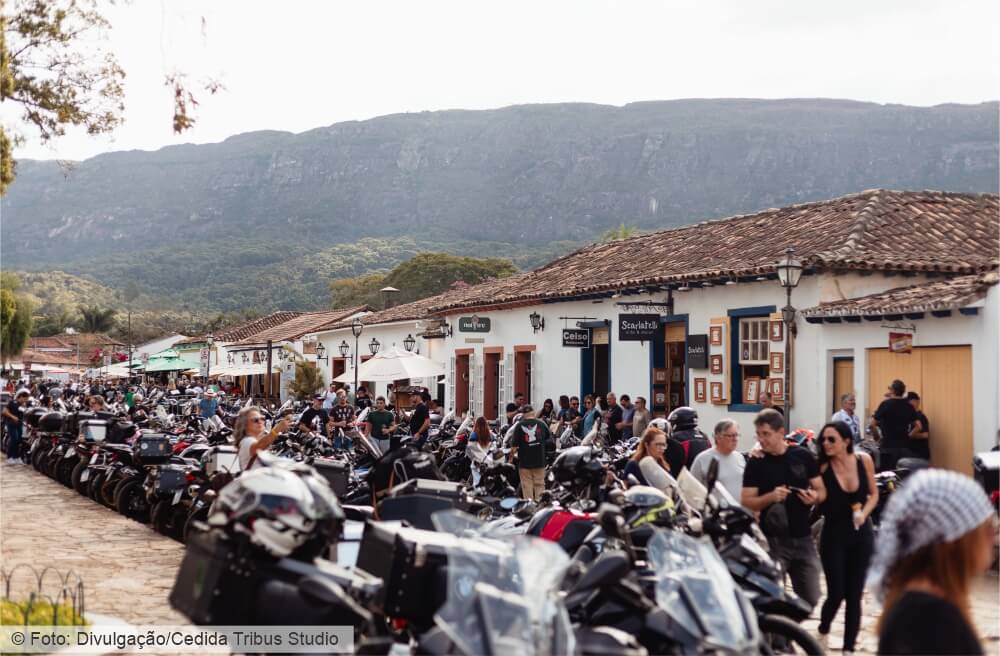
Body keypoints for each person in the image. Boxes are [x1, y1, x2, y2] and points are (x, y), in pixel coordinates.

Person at [870, 469, 995, 655]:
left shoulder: (923, 606)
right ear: (955, 538)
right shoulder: (930, 618)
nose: (993, 538)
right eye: (986, 528)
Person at [742, 409, 826, 609]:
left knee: (811, 597)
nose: (761, 439)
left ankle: (788, 629)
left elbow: (821, 490)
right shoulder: (756, 462)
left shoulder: (802, 456)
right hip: (771, 539)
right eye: (759, 434)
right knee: (773, 597)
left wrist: (814, 498)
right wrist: (770, 497)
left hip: (803, 537)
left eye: (766, 434)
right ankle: (780, 639)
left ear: (781, 432)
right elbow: (746, 500)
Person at [815, 421, 878, 653]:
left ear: (846, 441)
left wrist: (865, 514)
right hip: (833, 534)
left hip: (862, 534)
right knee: (837, 593)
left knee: (855, 595)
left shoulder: (864, 460)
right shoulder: (822, 467)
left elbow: (874, 494)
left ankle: (848, 649)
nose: (826, 444)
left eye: (831, 439)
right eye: (823, 440)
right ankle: (823, 628)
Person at [690, 419, 746, 501]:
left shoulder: (739, 457)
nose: (735, 439)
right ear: (718, 437)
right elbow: (692, 490)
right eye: (731, 436)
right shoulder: (702, 459)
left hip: (740, 511)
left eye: (737, 435)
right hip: (715, 512)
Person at [871, 379, 919, 470]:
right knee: (902, 475)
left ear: (893, 390)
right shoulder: (909, 406)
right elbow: (918, 426)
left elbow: (872, 424)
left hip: (888, 447)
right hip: (904, 447)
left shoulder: (885, 404)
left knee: (887, 475)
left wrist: (877, 437)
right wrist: (908, 436)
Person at [508, 405, 553, 501]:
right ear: (533, 412)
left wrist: (510, 460)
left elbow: (514, 447)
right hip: (540, 461)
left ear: (523, 414)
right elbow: (548, 438)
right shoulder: (541, 424)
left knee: (527, 486)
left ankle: (529, 508)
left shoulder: (519, 426)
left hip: (525, 463)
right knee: (540, 485)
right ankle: (540, 507)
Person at [235, 406, 289, 470]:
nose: (260, 421)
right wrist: (277, 429)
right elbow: (260, 446)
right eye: (255, 420)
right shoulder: (246, 441)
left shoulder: (255, 440)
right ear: (245, 424)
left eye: (262, 418)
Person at [2, 390, 29, 464]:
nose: (25, 400)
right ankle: (9, 457)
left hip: (19, 425)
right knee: (14, 439)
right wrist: (13, 417)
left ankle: (16, 457)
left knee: (19, 440)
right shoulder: (12, 403)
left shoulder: (22, 405)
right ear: (20, 397)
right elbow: (4, 411)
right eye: (25, 399)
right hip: (11, 424)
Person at [906, 392, 930, 460]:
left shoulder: (921, 417)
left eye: (908, 402)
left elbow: (925, 435)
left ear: (916, 402)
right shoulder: (908, 416)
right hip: (910, 453)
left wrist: (910, 436)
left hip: (919, 454)